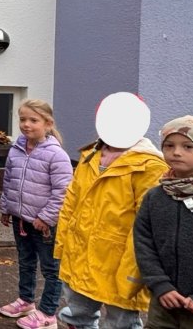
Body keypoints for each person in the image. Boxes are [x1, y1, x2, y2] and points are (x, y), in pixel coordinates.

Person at [55, 100, 168, 329]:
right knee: (77, 317)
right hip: (80, 256)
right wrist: (62, 244)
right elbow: (71, 203)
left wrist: (135, 269)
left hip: (120, 264)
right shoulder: (90, 157)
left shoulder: (150, 167)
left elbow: (147, 225)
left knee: (121, 323)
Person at [134, 115, 193, 328]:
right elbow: (144, 244)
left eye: (188, 146)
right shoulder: (155, 197)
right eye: (169, 145)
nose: (176, 152)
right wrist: (161, 285)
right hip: (164, 307)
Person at [0, 100, 73, 329]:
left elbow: (63, 191)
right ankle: (26, 300)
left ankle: (48, 313)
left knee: (51, 268)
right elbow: (9, 179)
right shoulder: (16, 149)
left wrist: (47, 218)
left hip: (44, 224)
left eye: (33, 120)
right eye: (22, 119)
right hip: (21, 219)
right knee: (26, 261)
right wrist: (6, 207)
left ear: (48, 124)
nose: (26, 125)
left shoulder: (56, 154)